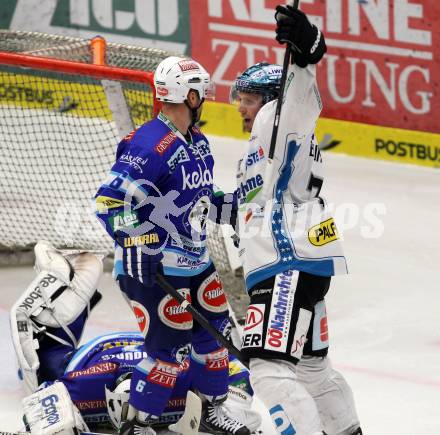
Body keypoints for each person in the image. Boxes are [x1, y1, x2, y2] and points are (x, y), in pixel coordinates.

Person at [93, 56, 249, 434]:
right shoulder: (149, 145)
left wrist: (221, 205)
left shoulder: (198, 141)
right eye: (202, 92)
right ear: (190, 95)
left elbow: (193, 195)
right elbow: (109, 204)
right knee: (169, 353)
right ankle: (140, 425)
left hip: (197, 261)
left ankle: (211, 410)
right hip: (156, 267)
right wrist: (138, 239)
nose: (205, 99)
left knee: (213, 339)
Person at [228, 5, 363, 435]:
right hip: (304, 257)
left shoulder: (281, 119)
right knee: (312, 373)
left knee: (269, 372)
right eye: (240, 100)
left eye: (248, 100)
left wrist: (306, 51)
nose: (242, 109)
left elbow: (300, 93)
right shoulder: (261, 143)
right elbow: (250, 202)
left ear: (269, 101)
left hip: (286, 260)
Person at [10, 241, 261, 434]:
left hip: (116, 355)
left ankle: (63, 286)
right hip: (109, 355)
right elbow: (40, 405)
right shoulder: (89, 385)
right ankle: (65, 284)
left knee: (41, 370)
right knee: (35, 363)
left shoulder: (88, 386)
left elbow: (38, 401)